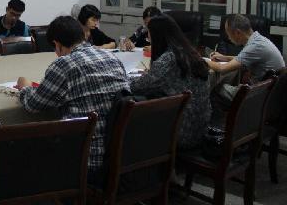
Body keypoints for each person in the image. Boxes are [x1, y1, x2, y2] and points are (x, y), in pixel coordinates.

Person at [16, 16, 129, 179]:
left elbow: (33, 105)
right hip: (119, 155)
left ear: (57, 44)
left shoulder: (64, 64)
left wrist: (25, 87)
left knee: (26, 149)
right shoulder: (113, 58)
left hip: (85, 160)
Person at [129, 14, 211, 149]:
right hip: (201, 128)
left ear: (158, 35)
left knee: (131, 107)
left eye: (149, 34)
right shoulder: (190, 53)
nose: (147, 37)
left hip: (183, 133)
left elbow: (137, 87)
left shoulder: (169, 59)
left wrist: (125, 79)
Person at [207, 13, 285, 103]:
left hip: (258, 96)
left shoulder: (255, 46)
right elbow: (242, 58)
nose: (228, 38)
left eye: (228, 34)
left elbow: (222, 68)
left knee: (215, 87)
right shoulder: (258, 39)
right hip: (269, 92)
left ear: (237, 33)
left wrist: (202, 60)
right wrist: (224, 57)